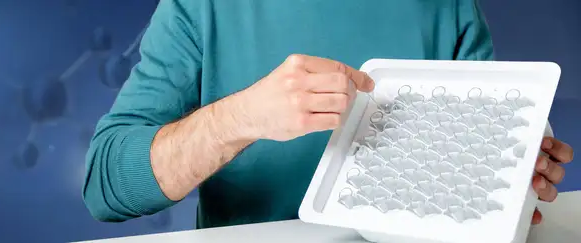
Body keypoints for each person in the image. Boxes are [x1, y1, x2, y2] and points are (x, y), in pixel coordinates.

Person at [82, 0, 574, 230]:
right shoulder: (200, 8)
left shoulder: (446, 7)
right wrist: (239, 118)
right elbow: (106, 187)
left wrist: (510, 173)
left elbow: (474, 166)